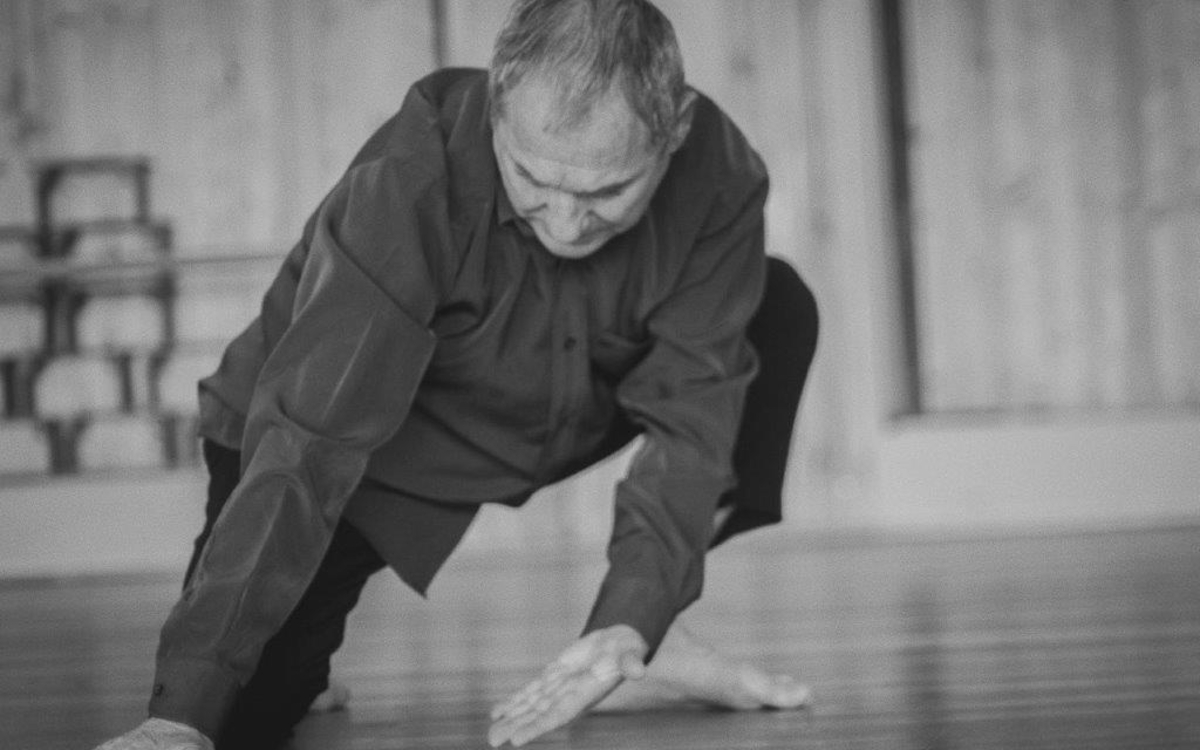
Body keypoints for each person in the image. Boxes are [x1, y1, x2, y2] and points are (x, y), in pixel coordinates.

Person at [96, 0, 819, 748]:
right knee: (245, 709)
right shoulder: (411, 180)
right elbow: (309, 443)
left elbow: (690, 417)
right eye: (533, 179)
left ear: (673, 131)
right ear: (496, 113)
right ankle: (286, 672)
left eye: (605, 193)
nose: (567, 224)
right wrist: (181, 714)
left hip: (536, 408)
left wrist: (630, 618)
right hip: (329, 446)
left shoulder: (720, 178)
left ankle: (655, 641)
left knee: (777, 309)